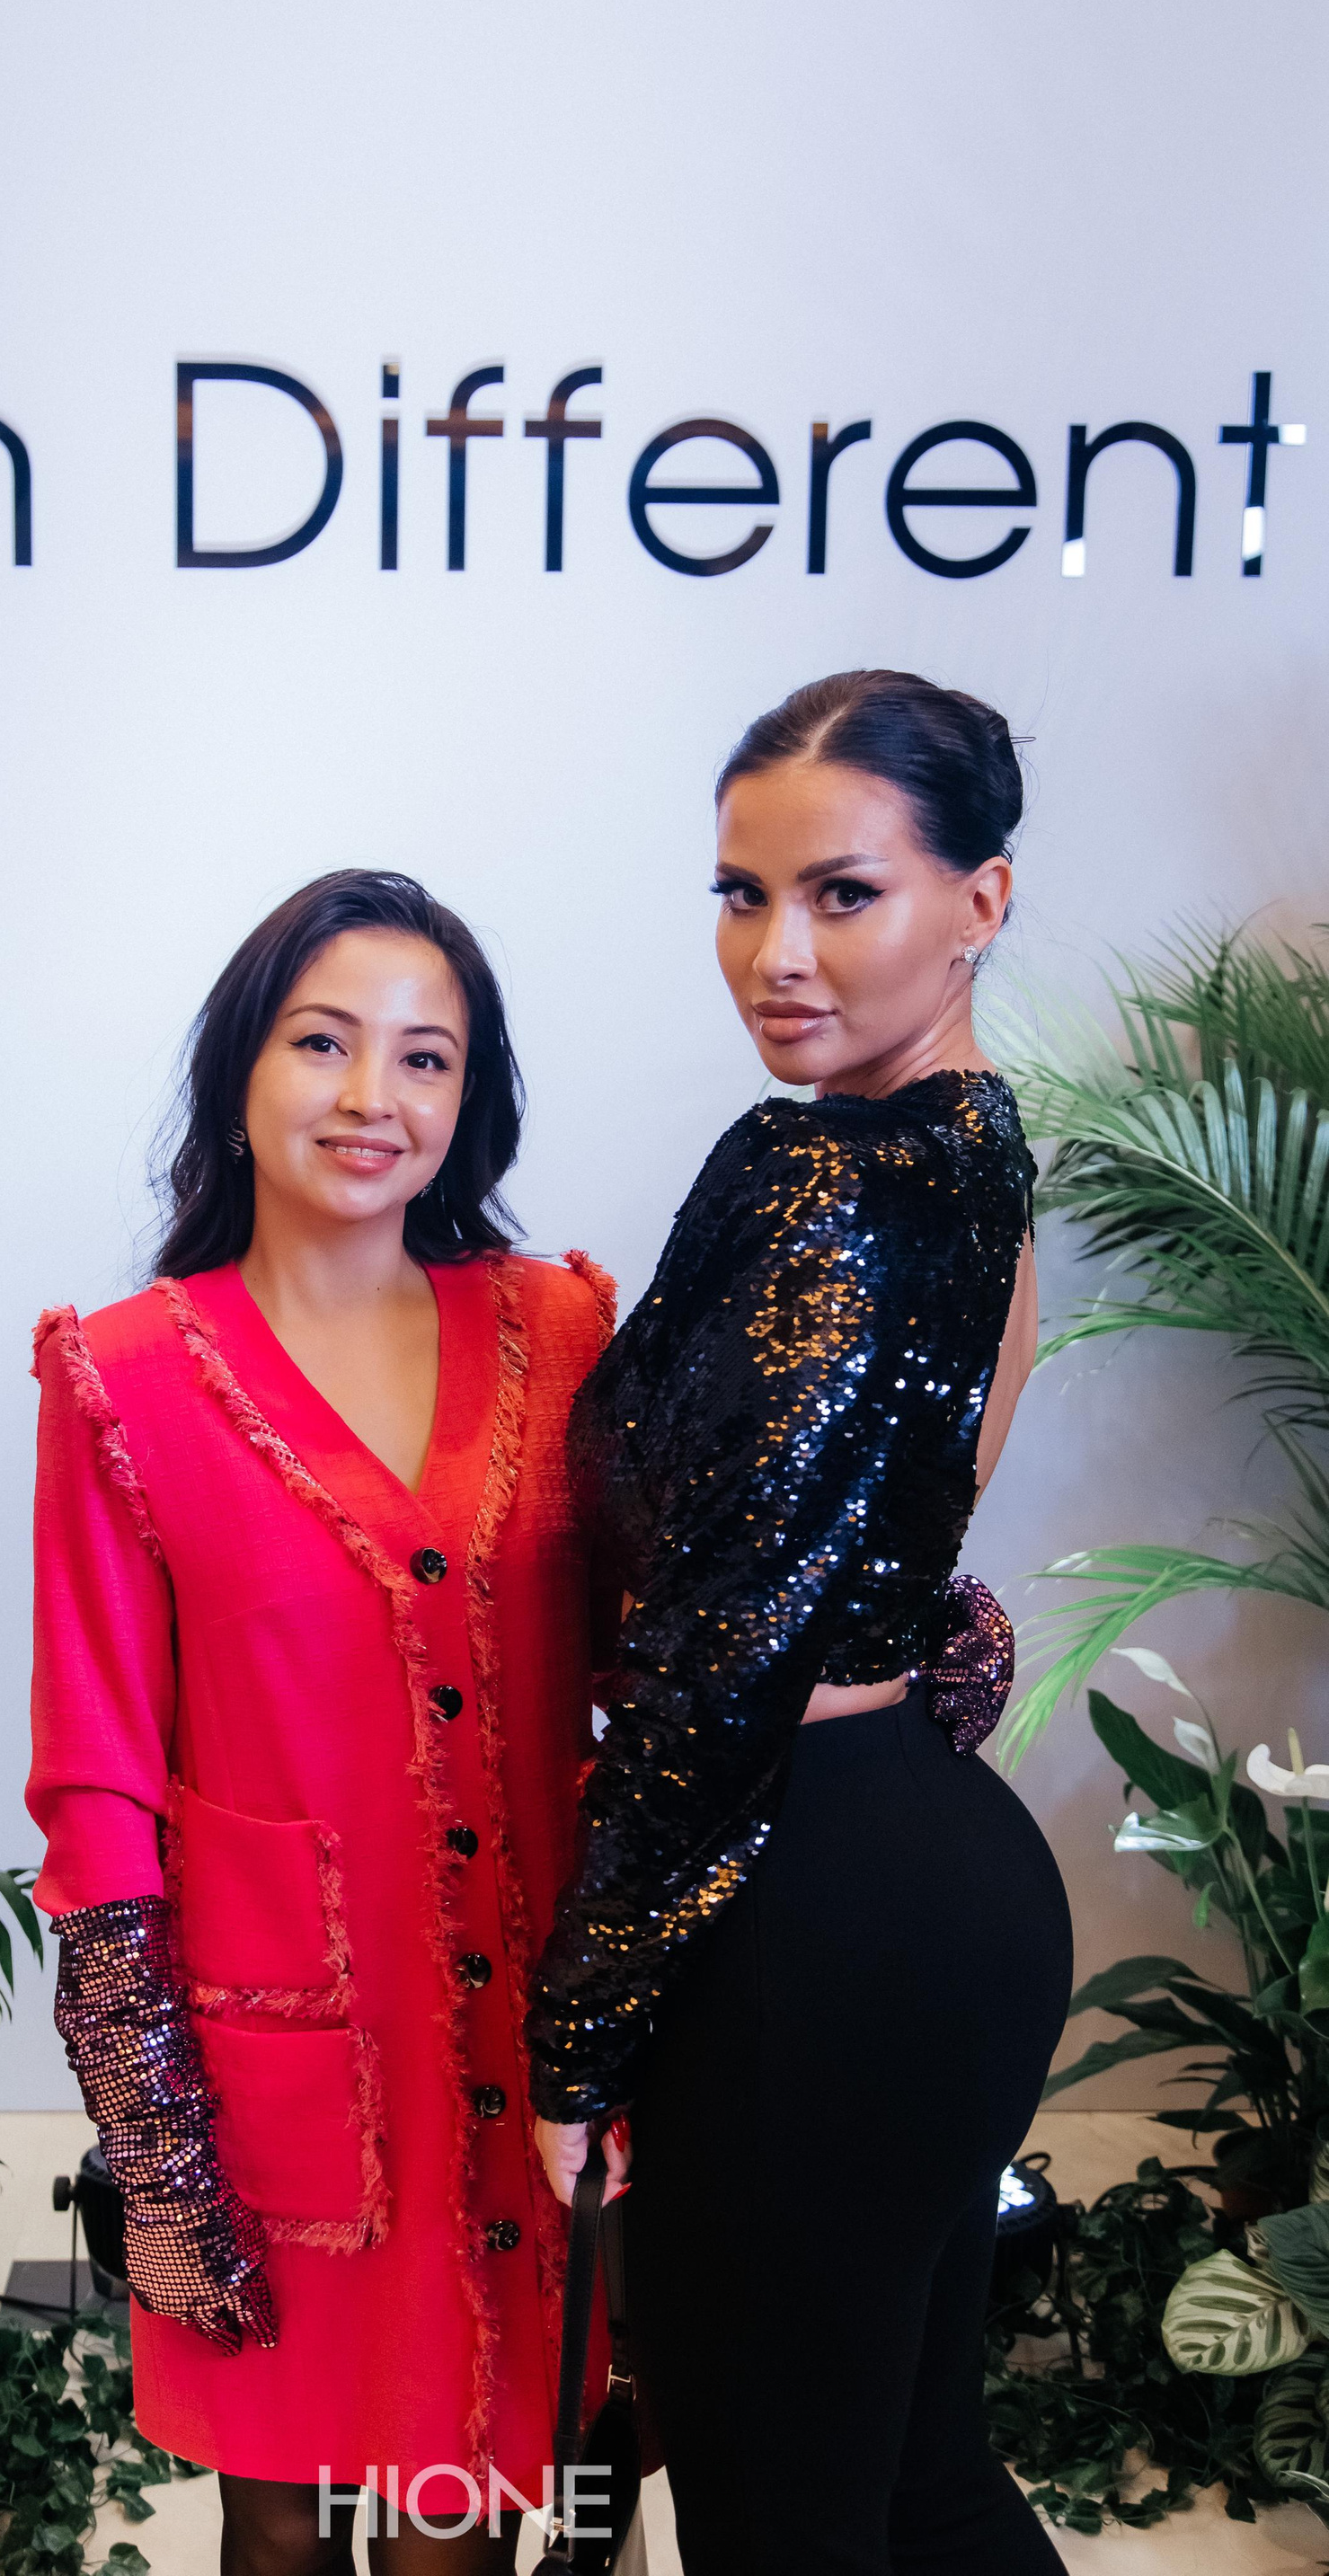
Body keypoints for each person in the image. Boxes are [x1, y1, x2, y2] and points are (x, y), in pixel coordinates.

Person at [528, 671, 1073, 2572]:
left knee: (787, 2525)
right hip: (938, 1886)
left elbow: (726, 1663)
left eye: (844, 894)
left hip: (799, 1917)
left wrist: (581, 2031)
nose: (776, 954)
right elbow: (903, 1538)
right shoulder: (979, 1152)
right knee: (920, 2482)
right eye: (741, 893)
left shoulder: (818, 1179)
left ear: (980, 901)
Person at [26, 872, 616, 2576]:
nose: (374, 1096)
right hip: (267, 2061)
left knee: (463, 2517)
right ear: (241, 1072)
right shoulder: (122, 1380)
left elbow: (664, 1642)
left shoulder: (561, 1331)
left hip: (528, 2049)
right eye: (323, 1042)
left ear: (469, 1100)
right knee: (276, 2531)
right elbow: (96, 1775)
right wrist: (156, 2138)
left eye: (426, 1057)